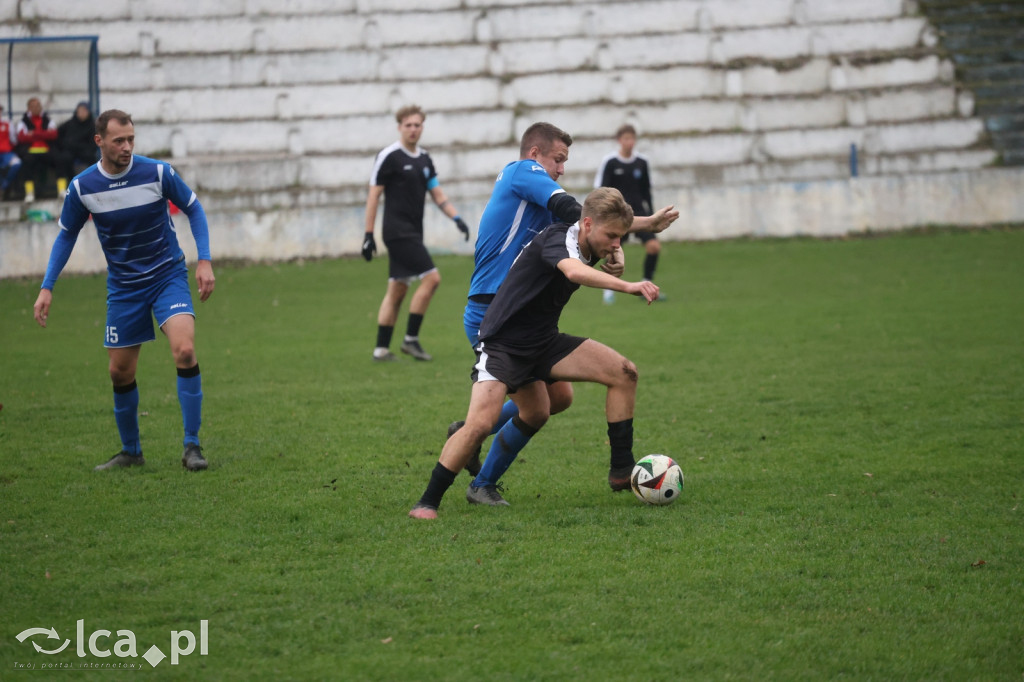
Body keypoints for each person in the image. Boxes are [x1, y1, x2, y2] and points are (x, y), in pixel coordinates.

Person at [456, 122, 679, 506]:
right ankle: (477, 465)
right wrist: (634, 228)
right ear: (534, 155)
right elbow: (574, 210)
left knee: (558, 399)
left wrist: (629, 233)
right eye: (557, 160)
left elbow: (586, 225)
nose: (561, 169)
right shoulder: (520, 173)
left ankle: (469, 432)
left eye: (564, 162)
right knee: (537, 407)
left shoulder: (540, 209)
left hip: (523, 316)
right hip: (492, 312)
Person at [410, 187, 660, 519]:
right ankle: (427, 502)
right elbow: (573, 271)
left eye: (621, 237)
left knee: (623, 372)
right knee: (481, 423)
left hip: (543, 342)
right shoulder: (558, 238)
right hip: (504, 344)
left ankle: (620, 470)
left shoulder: (591, 239)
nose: (616, 243)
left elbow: (601, 242)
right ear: (586, 224)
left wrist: (615, 249)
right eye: (612, 236)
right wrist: (628, 285)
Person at [33, 109, 215, 472]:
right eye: (119, 140)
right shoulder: (83, 187)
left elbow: (194, 209)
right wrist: (46, 286)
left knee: (185, 349)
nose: (127, 147)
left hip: (167, 275)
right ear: (99, 141)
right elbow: (67, 235)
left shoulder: (157, 172)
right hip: (124, 287)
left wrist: (205, 260)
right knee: (120, 372)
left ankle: (192, 446)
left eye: (131, 139)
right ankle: (131, 451)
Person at [362, 104, 470, 362]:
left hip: (414, 231)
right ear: (399, 127)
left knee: (398, 288)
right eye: (408, 125)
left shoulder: (424, 159)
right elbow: (374, 196)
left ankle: (380, 349)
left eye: (417, 125)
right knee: (432, 279)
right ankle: (410, 340)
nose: (413, 129)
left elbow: (437, 193)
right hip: (397, 231)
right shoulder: (389, 156)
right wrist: (368, 235)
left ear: (422, 127)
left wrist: (456, 217)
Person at [594, 124, 663, 304]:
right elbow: (602, 190)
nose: (629, 142)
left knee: (654, 247)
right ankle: (609, 290)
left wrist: (652, 215)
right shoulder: (610, 162)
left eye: (632, 138)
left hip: (639, 213)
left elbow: (646, 190)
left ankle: (646, 285)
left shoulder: (642, 162)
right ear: (619, 140)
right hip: (618, 216)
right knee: (612, 254)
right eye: (626, 138)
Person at [15, 97, 59, 202]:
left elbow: (54, 135)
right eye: (33, 106)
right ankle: (29, 192)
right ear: (28, 108)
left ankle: (62, 190)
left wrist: (34, 133)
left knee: (60, 159)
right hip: (30, 151)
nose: (36, 108)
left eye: (38, 106)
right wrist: (44, 134)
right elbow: (21, 137)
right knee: (26, 163)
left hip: (46, 150)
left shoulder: (48, 120)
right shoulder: (23, 122)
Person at [56, 101, 98, 180]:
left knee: (92, 159)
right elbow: (59, 135)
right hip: (70, 150)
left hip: (84, 151)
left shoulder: (92, 125)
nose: (81, 113)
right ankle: (69, 183)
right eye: (79, 110)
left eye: (84, 110)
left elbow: (93, 144)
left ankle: (94, 181)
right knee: (63, 159)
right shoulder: (70, 124)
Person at [0, 104, 22, 200]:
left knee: (17, 163)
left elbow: (14, 140)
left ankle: (4, 185)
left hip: (6, 153)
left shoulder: (7, 123)